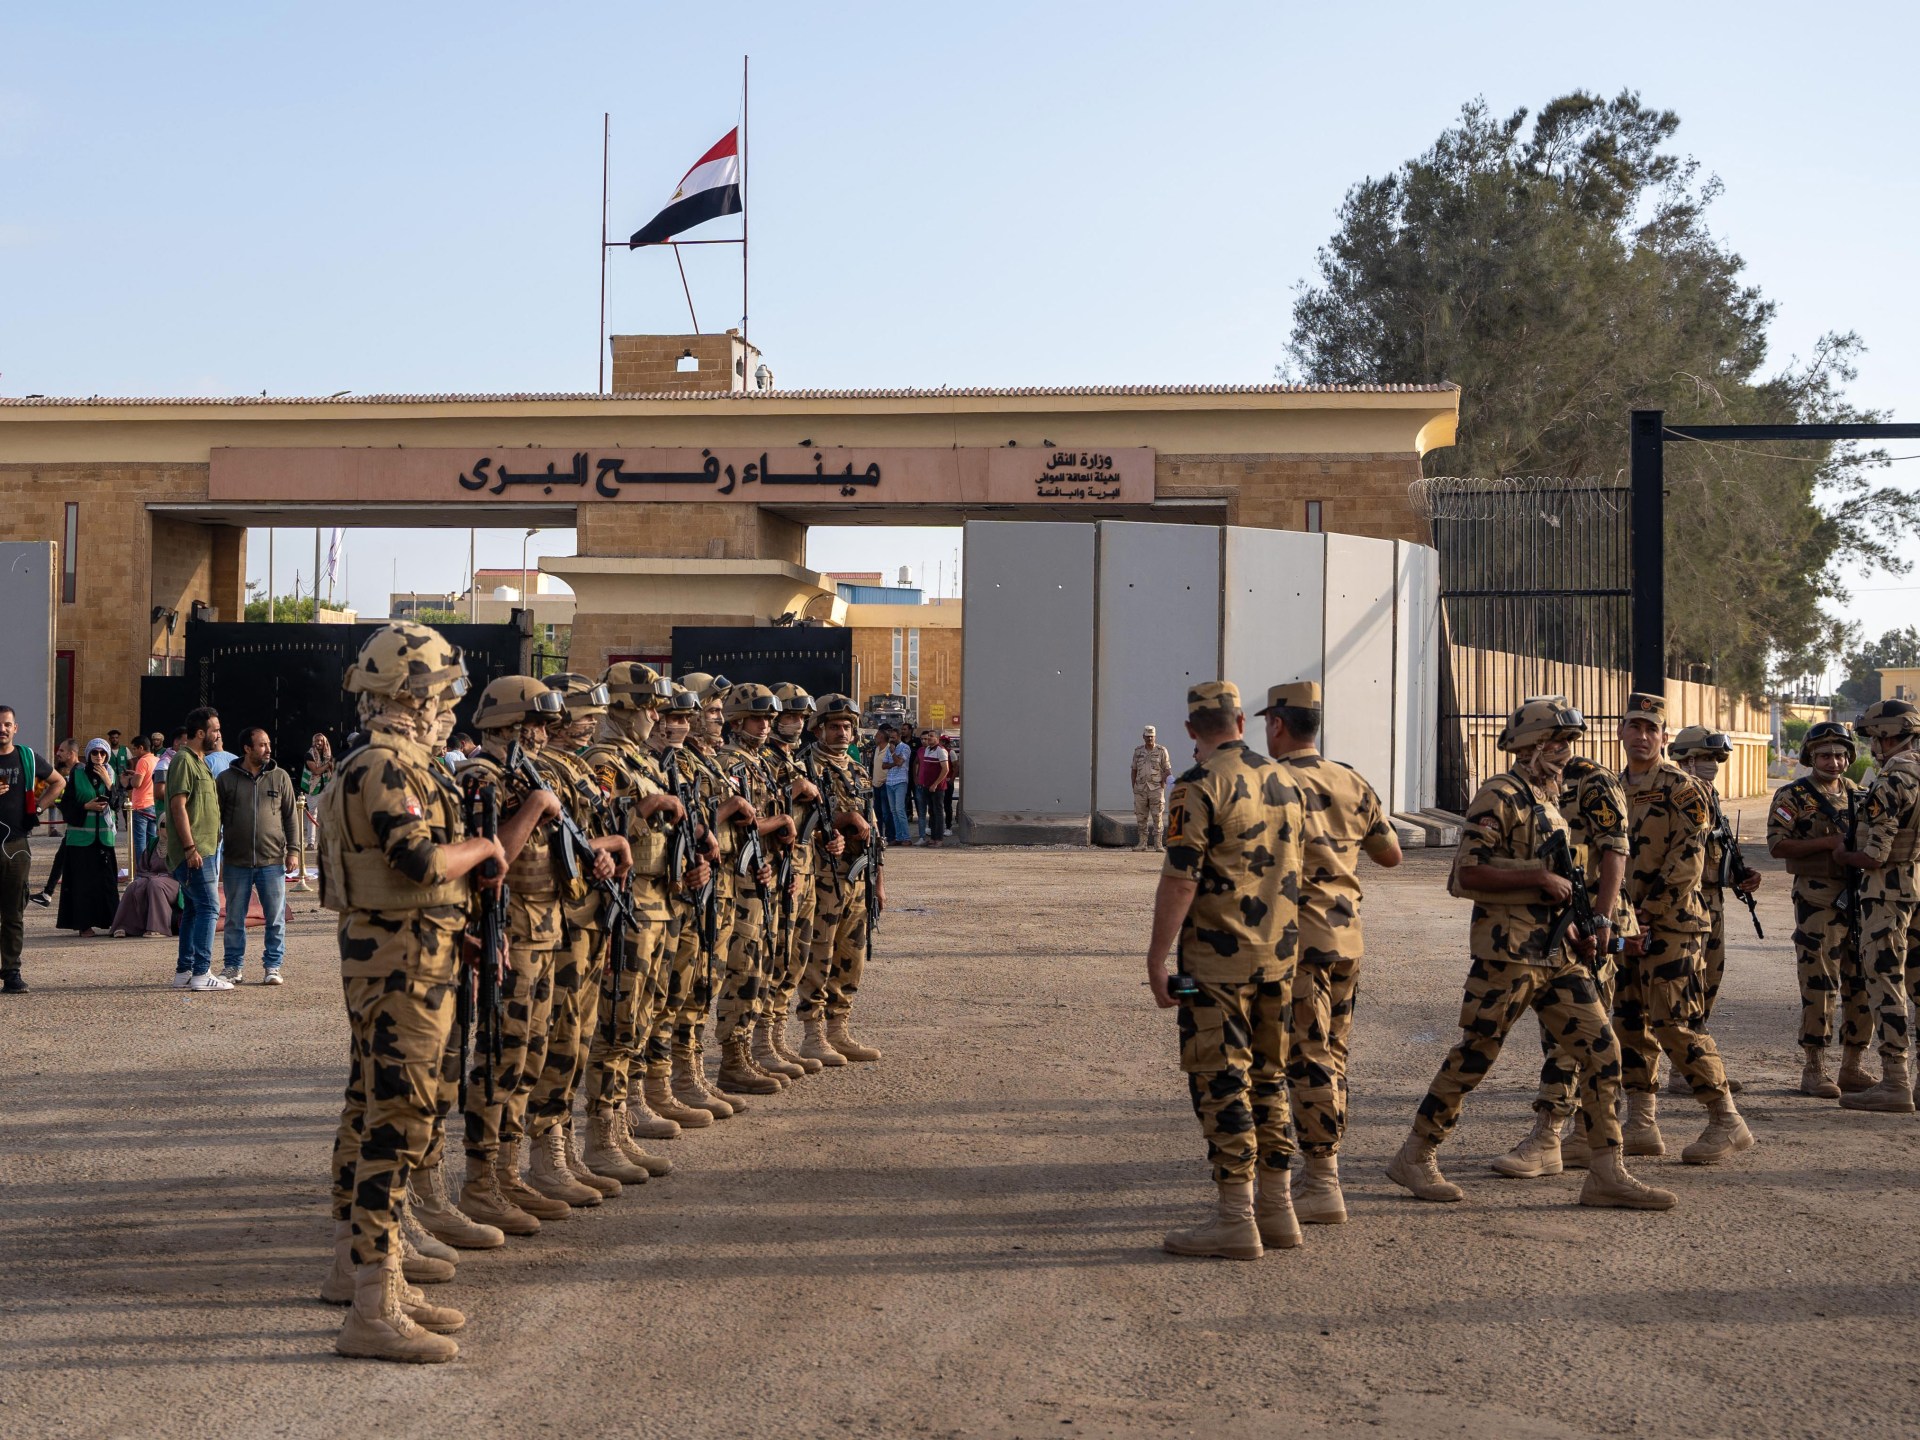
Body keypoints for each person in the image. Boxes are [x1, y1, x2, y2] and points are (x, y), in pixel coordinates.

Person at [1385, 697, 1675, 1211]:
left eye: (1568, 744)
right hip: (1510, 953)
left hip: (1559, 954)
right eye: (1556, 743)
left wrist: (1586, 925)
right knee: (1476, 1054)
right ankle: (1416, 1155)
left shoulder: (1549, 799)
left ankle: (1607, 1172)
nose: (1565, 753)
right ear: (1529, 746)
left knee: (1602, 1052)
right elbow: (1465, 874)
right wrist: (1537, 878)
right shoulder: (1499, 794)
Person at [315, 622, 498, 1363]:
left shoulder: (384, 763)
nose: (449, 709)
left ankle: (365, 1272)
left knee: (372, 1110)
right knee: (396, 1126)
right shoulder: (385, 766)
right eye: (442, 695)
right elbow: (419, 862)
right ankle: (372, 1307)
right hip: (401, 967)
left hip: (405, 953)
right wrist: (484, 848)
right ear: (411, 695)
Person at [1145, 681, 1308, 1260]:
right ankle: (1278, 1210)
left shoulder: (1196, 784)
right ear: (1240, 721)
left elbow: (1181, 877)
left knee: (1219, 1081)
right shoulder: (1285, 779)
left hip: (1215, 966)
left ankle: (1236, 1219)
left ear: (1192, 729)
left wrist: (1157, 958)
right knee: (1270, 1078)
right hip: (1279, 958)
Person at [1259, 682, 1400, 1224]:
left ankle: (1322, 1181)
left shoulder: (1268, 782)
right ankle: (1321, 1171)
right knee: (1332, 1053)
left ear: (1277, 724)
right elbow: (1389, 855)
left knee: (1306, 1055)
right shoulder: (1351, 780)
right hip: (1345, 939)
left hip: (1295, 944)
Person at [456, 676, 579, 1237]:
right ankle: (481, 1181)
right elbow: (491, 858)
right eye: (534, 724)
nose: (542, 735)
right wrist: (533, 806)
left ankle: (508, 1172)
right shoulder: (479, 778)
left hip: (545, 929)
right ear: (506, 723)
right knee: (500, 1057)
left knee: (530, 1057)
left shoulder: (529, 776)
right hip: (507, 933)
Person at [1613, 692, 1754, 1161]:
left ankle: (1726, 1120)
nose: (1642, 735)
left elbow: (1688, 860)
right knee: (1630, 1022)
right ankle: (1641, 1123)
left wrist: (1645, 914)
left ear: (1664, 737)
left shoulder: (1683, 788)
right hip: (1626, 926)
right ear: (1621, 731)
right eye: (1634, 726)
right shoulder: (1612, 789)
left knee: (1676, 1023)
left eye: (1651, 728)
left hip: (1674, 924)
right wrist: (1618, 917)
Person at [520, 673, 636, 1205]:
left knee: (582, 1034)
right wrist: (607, 845)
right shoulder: (542, 769)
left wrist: (606, 849)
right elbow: (552, 844)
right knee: (561, 1037)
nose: (591, 721)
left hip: (590, 914)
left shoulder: (575, 767)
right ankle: (547, 1154)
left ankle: (569, 1147)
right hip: (563, 922)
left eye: (594, 714)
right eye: (583, 713)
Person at [580, 662, 700, 1173]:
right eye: (650, 707)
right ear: (626, 708)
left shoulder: (641, 759)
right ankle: (602, 1134)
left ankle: (626, 1115)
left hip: (659, 898)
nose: (657, 716)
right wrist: (646, 808)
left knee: (643, 1014)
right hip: (627, 902)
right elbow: (591, 829)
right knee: (617, 1020)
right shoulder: (604, 760)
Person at [1767, 721, 1866, 1097]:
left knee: (1862, 983)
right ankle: (1815, 1068)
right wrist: (1828, 843)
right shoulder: (1793, 795)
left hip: (1859, 898)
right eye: (1825, 755)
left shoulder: (1860, 794)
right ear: (1810, 757)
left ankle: (1852, 1066)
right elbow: (1777, 844)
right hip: (1817, 900)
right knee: (1819, 983)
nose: (1834, 762)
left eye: (1840, 755)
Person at [1832, 698, 1920, 1113]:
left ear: (1886, 736)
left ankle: (1894, 1081)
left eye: (1873, 737)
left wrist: (1843, 855)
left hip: (1887, 893)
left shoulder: (1891, 782)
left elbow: (1875, 855)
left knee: (1885, 982)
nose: (1871, 746)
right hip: (1917, 887)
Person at [1666, 726, 1761, 1095]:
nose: (1712, 765)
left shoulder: (1711, 796)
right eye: (1705, 758)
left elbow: (1717, 848)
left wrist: (1740, 875)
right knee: (1682, 984)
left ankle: (1695, 1063)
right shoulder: (1672, 793)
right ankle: (1683, 1068)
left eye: (1715, 759)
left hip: (1711, 901)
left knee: (1708, 981)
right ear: (1687, 759)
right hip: (1680, 902)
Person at [796, 693, 885, 1066]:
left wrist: (879, 882)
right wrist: (841, 820)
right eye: (834, 726)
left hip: (857, 876)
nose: (842, 732)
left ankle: (838, 1030)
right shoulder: (805, 768)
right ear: (818, 729)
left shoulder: (857, 770)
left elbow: (874, 829)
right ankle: (813, 1035)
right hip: (822, 876)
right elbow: (799, 823)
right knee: (819, 954)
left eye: (847, 726)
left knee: (851, 956)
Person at [715, 683, 795, 1094]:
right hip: (739, 879)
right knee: (742, 968)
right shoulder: (731, 762)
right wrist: (778, 823)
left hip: (761, 873)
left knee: (761, 966)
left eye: (768, 719)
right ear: (736, 721)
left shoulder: (759, 762)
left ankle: (746, 1051)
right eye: (756, 719)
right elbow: (737, 825)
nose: (765, 725)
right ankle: (732, 1059)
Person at [214, 726, 299, 985]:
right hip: (236, 862)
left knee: (275, 917)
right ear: (247, 748)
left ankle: (273, 966)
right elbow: (216, 819)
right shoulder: (226, 779)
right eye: (262, 745)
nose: (268, 749)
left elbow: (291, 816)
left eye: (268, 744)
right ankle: (233, 966)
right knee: (234, 918)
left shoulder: (280, 777)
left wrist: (294, 851)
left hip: (272, 861)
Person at [165, 707, 227, 991]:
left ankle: (185, 970)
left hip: (206, 850)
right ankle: (202, 973)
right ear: (201, 733)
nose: (219, 735)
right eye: (215, 730)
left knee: (192, 909)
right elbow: (178, 806)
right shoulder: (183, 761)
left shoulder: (200, 761)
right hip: (195, 852)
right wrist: (190, 848)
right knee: (210, 907)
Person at [0, 710, 63, 992]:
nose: (2, 729)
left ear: (15, 728)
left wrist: (38, 807)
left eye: (7, 724)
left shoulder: (27, 757)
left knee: (14, 913)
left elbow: (59, 781)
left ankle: (11, 972)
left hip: (17, 846)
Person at [55, 739, 120, 937]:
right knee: (83, 884)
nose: (99, 756)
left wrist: (109, 783)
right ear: (89, 754)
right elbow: (66, 805)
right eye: (95, 753)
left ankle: (114, 922)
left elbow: (117, 804)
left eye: (103, 753)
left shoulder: (111, 774)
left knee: (107, 883)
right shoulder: (77, 774)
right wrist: (86, 806)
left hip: (104, 839)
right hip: (81, 840)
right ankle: (84, 925)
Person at [27, 740, 79, 909]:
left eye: (62, 751)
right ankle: (47, 894)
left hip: (82, 830)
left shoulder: (79, 772)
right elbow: (40, 788)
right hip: (74, 828)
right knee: (61, 859)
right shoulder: (60, 772)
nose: (58, 753)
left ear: (71, 754)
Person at [1130, 725, 1174, 850]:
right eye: (1147, 736)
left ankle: (1158, 843)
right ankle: (1142, 843)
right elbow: (1134, 770)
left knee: (1157, 816)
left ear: (1155, 737)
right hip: (1140, 789)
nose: (1150, 739)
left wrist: (1170, 784)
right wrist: (1134, 787)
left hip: (1156, 788)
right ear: (1143, 737)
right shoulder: (1138, 751)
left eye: (1152, 736)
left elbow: (1167, 770)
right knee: (1141, 817)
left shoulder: (1161, 751)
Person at [915, 729, 950, 846]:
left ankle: (939, 838)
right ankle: (933, 837)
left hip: (937, 788)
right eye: (928, 736)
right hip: (927, 786)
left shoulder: (941, 750)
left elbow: (945, 769)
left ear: (937, 738)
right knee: (932, 812)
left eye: (931, 736)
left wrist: (935, 784)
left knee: (938, 812)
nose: (929, 738)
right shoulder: (927, 750)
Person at [876, 725, 911, 843]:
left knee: (900, 810)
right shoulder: (889, 748)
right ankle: (899, 837)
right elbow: (884, 765)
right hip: (890, 781)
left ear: (899, 737)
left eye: (893, 737)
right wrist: (894, 762)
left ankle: (906, 837)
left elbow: (899, 762)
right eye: (890, 737)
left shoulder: (905, 748)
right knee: (893, 811)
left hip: (900, 781)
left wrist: (892, 753)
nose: (891, 740)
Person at [127, 735, 159, 860]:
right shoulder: (156, 760)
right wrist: (135, 774)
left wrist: (130, 779)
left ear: (141, 748)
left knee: (140, 841)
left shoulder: (142, 761)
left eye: (134, 749)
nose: (133, 752)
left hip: (141, 806)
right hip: (153, 804)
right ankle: (151, 866)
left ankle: (141, 868)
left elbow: (137, 783)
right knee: (151, 840)